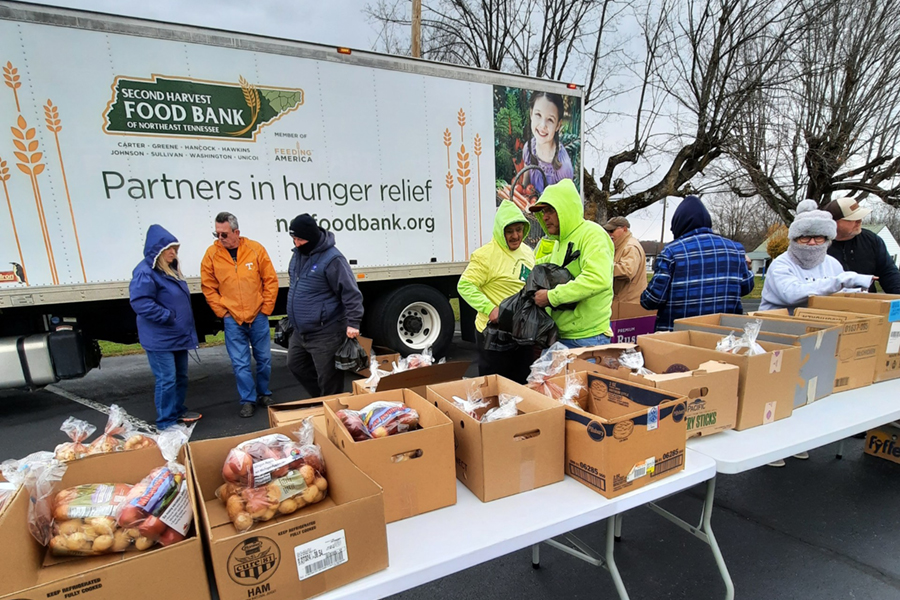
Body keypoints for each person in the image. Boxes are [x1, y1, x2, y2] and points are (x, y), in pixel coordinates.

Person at [200, 212, 278, 418]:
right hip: (233, 319)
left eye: (224, 234)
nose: (220, 238)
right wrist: (222, 312)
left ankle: (264, 393)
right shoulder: (211, 254)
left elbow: (270, 280)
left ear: (236, 232)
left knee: (264, 359)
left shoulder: (255, 249)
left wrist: (266, 309)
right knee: (240, 363)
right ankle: (248, 400)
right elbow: (208, 287)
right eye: (217, 234)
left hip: (258, 315)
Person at [641, 195, 754, 331]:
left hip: (678, 336)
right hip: (724, 335)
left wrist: (643, 296)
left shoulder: (671, 253)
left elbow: (652, 300)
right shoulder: (735, 249)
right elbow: (746, 287)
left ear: (678, 225)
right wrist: (749, 269)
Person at [129, 225, 200, 430]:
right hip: (160, 337)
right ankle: (166, 422)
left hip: (177, 335)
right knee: (166, 379)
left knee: (180, 377)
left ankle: (177, 410)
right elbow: (141, 302)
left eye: (175, 249)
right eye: (168, 249)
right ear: (157, 250)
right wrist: (167, 316)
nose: (173, 252)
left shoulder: (169, 270)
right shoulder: (145, 272)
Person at [528, 179, 615, 348]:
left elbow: (597, 278)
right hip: (559, 336)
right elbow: (543, 265)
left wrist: (551, 297)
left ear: (565, 208)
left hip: (587, 338)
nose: (545, 217)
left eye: (551, 210)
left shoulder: (592, 234)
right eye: (543, 212)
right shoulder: (560, 242)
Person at [457, 200, 536, 383]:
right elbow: (465, 285)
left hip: (522, 333)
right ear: (501, 231)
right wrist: (490, 309)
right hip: (493, 336)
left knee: (522, 385)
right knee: (494, 387)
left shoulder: (527, 252)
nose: (515, 236)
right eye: (510, 231)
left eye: (519, 229)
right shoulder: (485, 256)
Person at [286, 214, 363, 398]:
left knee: (329, 378)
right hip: (300, 331)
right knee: (295, 365)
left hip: (325, 331)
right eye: (294, 238)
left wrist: (353, 322)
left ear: (311, 237)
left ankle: (331, 405)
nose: (296, 243)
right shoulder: (297, 255)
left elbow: (350, 292)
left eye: (300, 239)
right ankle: (321, 400)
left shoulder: (333, 259)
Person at [760, 200, 874, 314]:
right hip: (779, 322)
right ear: (795, 239)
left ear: (826, 239)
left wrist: (857, 291)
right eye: (805, 237)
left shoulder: (832, 264)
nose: (812, 243)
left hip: (819, 320)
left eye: (818, 238)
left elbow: (840, 294)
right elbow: (791, 294)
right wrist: (841, 281)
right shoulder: (781, 264)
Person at [825, 197, 900, 294]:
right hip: (828, 300)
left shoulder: (871, 240)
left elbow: (888, 273)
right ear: (833, 222)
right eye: (852, 219)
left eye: (859, 217)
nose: (859, 221)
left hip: (868, 300)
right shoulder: (818, 245)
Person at [522, 92, 575, 195]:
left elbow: (564, 202)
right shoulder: (529, 148)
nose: (543, 125)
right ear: (531, 114)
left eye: (550, 120)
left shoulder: (563, 168)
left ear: (558, 125)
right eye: (538, 115)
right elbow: (525, 189)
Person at [604, 216, 648, 303]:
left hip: (628, 302)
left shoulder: (630, 247)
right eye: (607, 231)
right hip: (623, 300)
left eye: (612, 231)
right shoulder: (620, 245)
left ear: (624, 229)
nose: (609, 234)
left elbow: (627, 270)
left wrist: (602, 266)